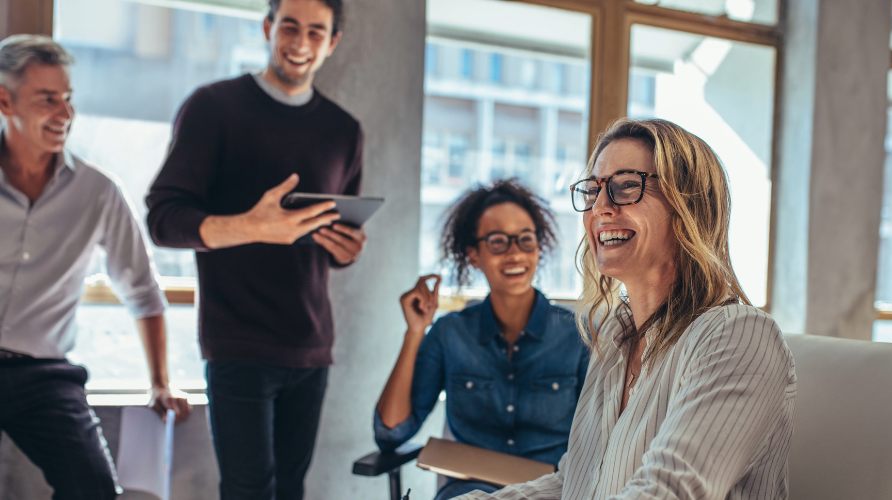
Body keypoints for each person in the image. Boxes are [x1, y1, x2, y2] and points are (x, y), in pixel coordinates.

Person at [453, 118, 797, 500]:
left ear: (688, 205)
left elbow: (667, 493)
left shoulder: (739, 336)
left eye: (626, 186)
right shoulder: (614, 338)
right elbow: (574, 483)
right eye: (593, 190)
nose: (600, 208)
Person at [145, 0, 363, 498]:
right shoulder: (213, 107)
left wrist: (346, 248)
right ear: (268, 28)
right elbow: (163, 220)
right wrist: (250, 226)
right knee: (248, 490)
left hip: (311, 345)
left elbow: (333, 241)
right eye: (289, 26)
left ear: (332, 43)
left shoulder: (344, 130)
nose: (300, 42)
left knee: (290, 489)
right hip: (237, 343)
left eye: (315, 31)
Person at [0, 35, 190, 499]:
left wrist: (160, 383)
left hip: (43, 374)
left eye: (68, 99)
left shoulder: (99, 193)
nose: (65, 113)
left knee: (95, 490)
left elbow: (142, 291)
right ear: (4, 101)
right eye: (48, 100)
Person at [375, 180, 590, 500]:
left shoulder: (578, 336)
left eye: (525, 240)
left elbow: (601, 440)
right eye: (498, 241)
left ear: (538, 248)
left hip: (551, 492)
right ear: (473, 255)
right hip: (468, 491)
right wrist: (415, 332)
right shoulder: (450, 334)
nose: (515, 252)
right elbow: (391, 432)